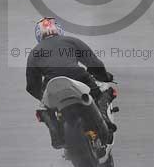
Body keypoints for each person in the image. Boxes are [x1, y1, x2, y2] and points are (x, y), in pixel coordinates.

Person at [26, 17, 116, 146]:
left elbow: (32, 86)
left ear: (39, 35)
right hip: (78, 76)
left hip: (52, 84)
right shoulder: (71, 41)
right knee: (105, 92)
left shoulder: (34, 53)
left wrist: (45, 99)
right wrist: (104, 76)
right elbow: (94, 63)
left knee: (44, 108)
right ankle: (105, 119)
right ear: (59, 30)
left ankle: (55, 132)